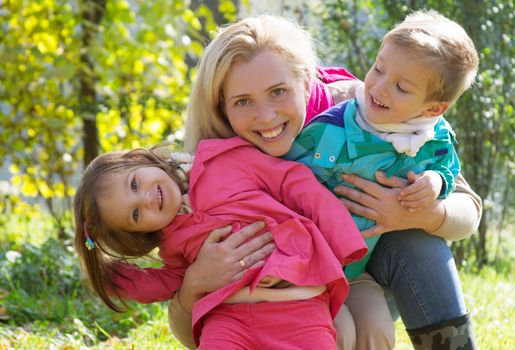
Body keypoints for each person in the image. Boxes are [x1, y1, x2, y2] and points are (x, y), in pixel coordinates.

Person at [171, 13, 482, 350]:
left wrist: (420, 213)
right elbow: (189, 333)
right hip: (279, 298)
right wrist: (195, 282)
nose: (266, 116)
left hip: (364, 269)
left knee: (418, 243)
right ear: (222, 108)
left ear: (305, 81)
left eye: (278, 91)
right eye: (243, 101)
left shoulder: (366, 109)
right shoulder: (213, 167)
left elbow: (468, 209)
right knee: (334, 330)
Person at [73, 143, 368, 349]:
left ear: (139, 160)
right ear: (140, 232)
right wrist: (117, 280)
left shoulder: (223, 160)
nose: (146, 199)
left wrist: (343, 238)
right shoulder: (172, 244)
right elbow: (172, 281)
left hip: (298, 306)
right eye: (136, 214)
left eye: (135, 184)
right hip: (228, 318)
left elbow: (295, 182)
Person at [285, 9, 477, 285]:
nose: (379, 87)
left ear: (433, 108)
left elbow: (448, 170)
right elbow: (283, 177)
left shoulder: (434, 137)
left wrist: (435, 182)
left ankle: (449, 330)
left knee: (426, 248)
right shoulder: (334, 126)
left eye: (401, 87)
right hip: (304, 261)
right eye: (378, 69)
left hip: (359, 270)